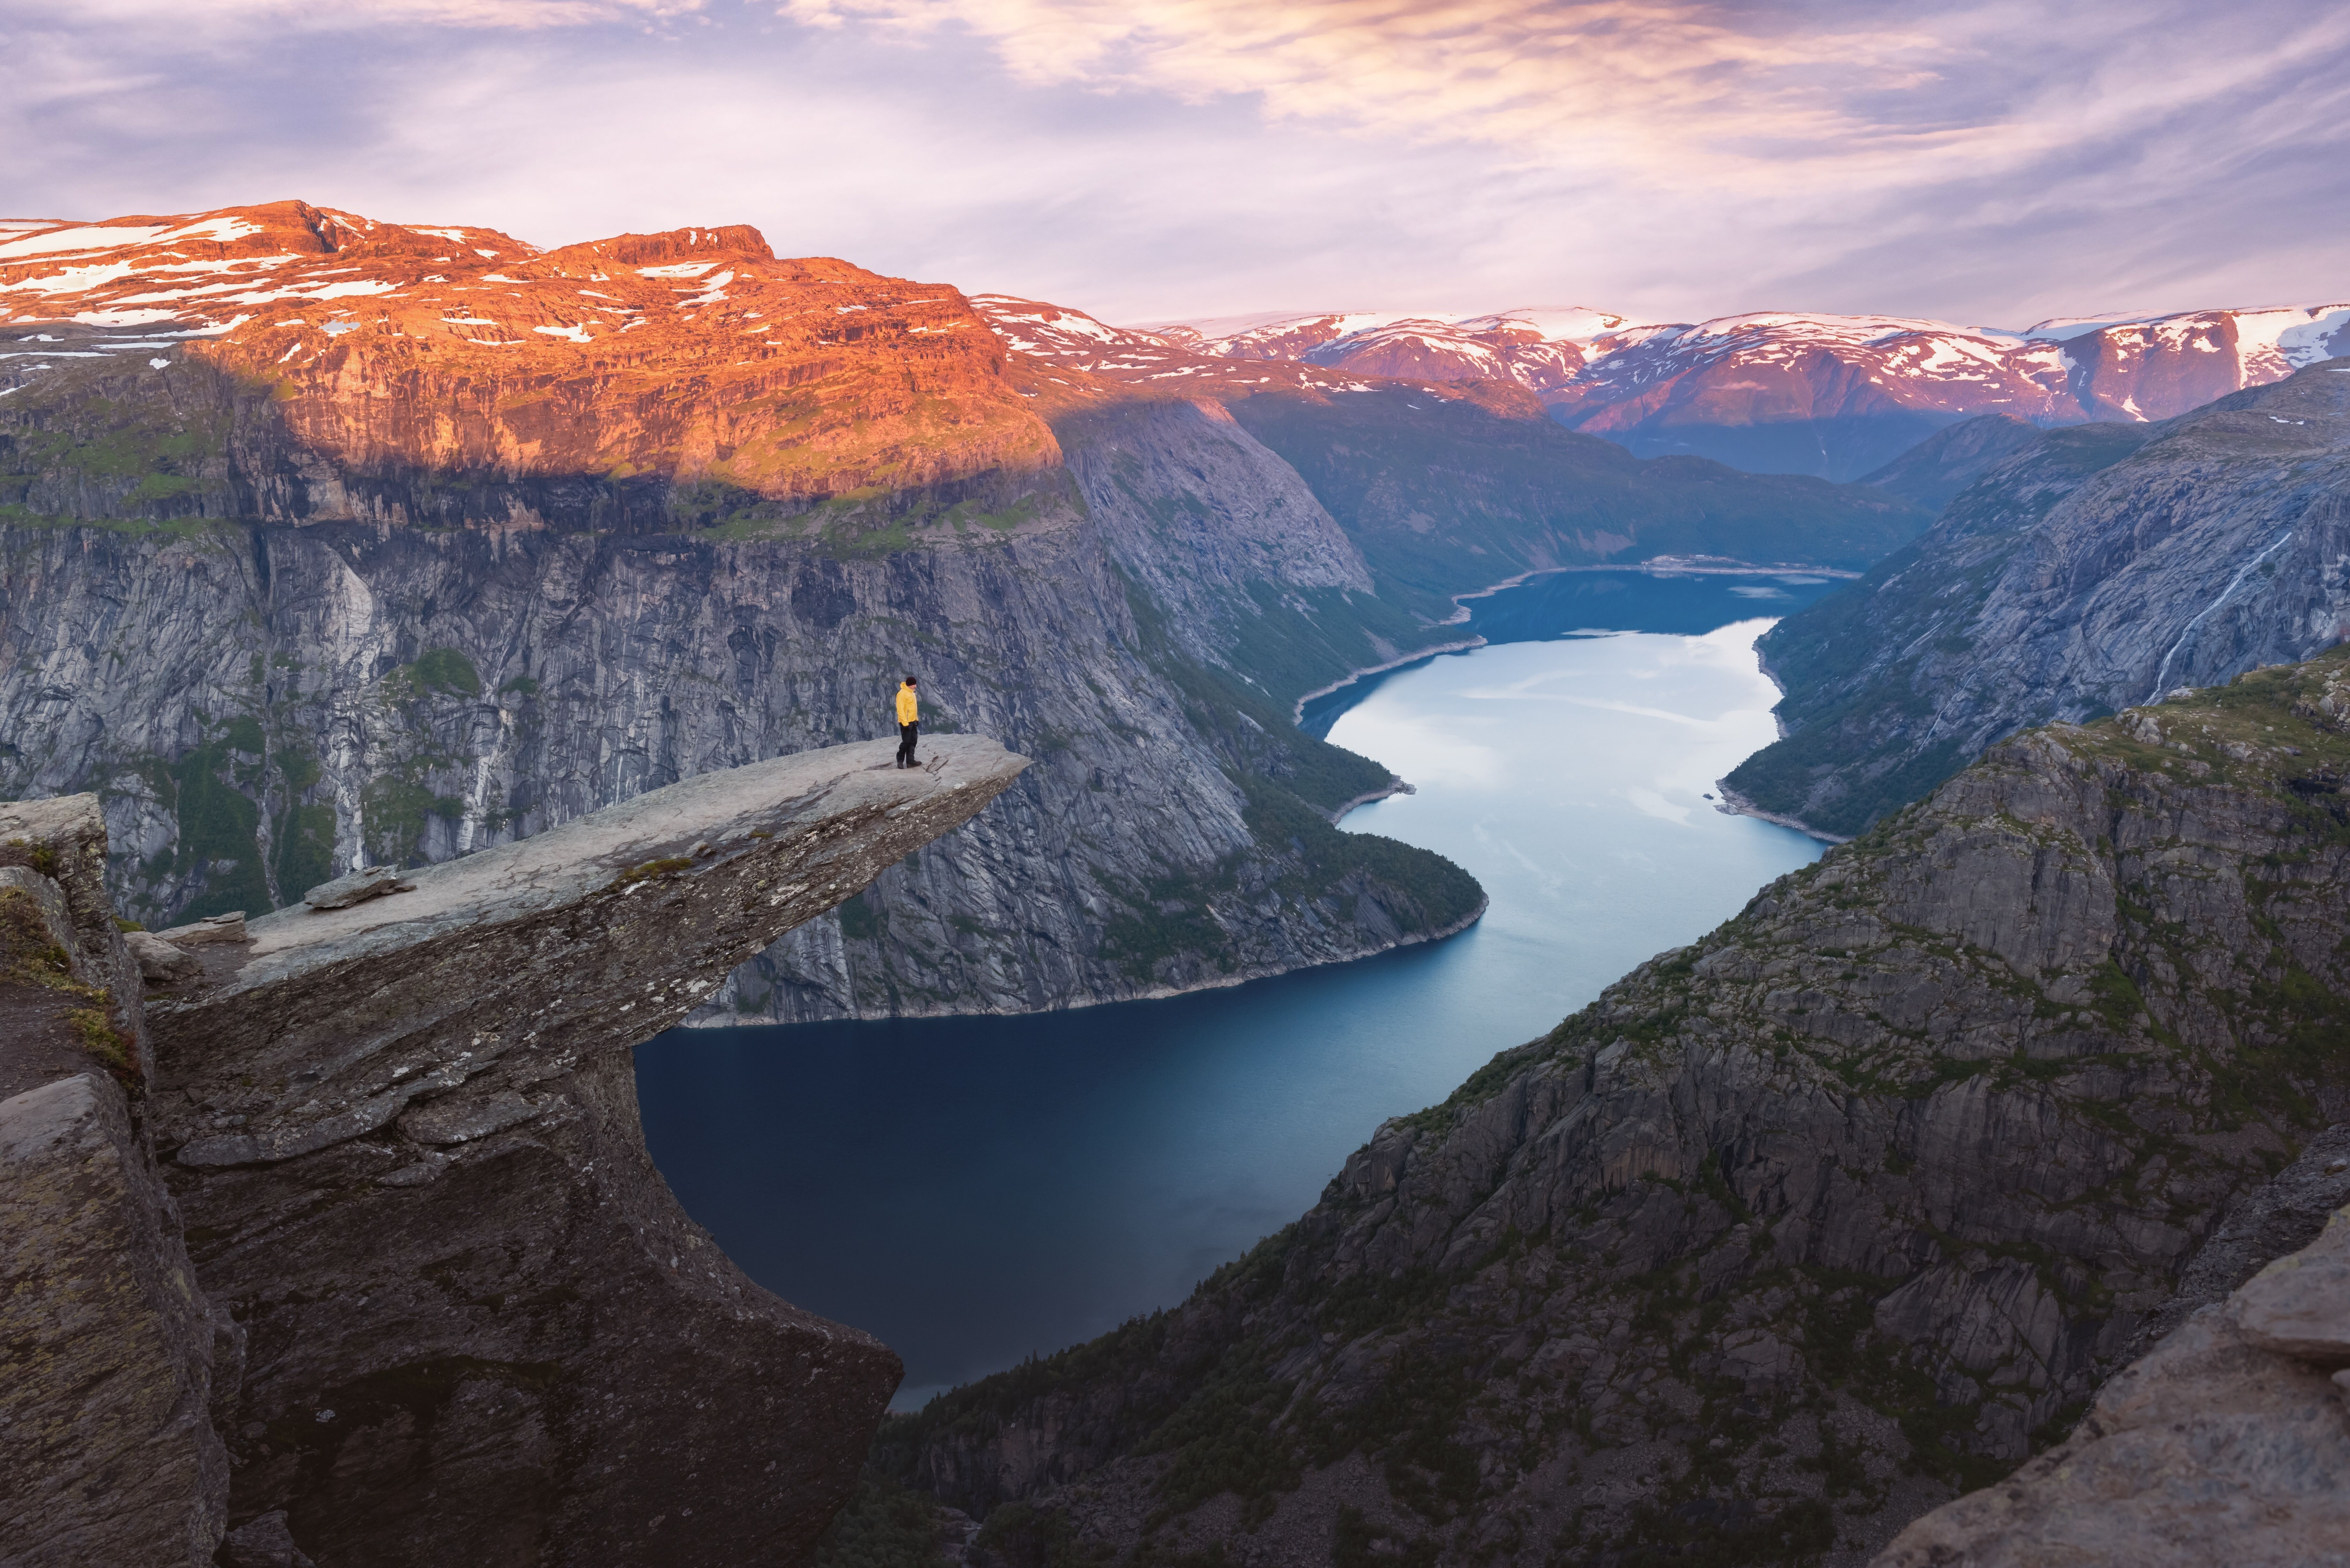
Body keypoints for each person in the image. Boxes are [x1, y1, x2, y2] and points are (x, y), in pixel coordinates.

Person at [895, 675, 921, 768]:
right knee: (906, 742)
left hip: (913, 721)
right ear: (910, 685)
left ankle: (910, 762)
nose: (916, 686)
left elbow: (914, 708)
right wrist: (905, 723)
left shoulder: (912, 693)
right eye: (914, 685)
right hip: (906, 723)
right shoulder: (902, 694)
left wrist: (916, 719)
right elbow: (900, 710)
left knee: (913, 741)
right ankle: (900, 760)